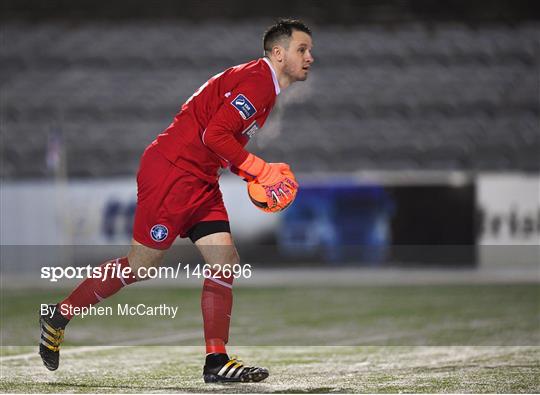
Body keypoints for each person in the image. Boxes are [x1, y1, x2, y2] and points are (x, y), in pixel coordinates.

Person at [39, 18, 314, 383]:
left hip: (200, 178)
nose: (310, 56)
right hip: (172, 173)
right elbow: (213, 134)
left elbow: (218, 139)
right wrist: (259, 169)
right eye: (302, 49)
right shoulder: (258, 83)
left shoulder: (261, 83)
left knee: (225, 261)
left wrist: (249, 172)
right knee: (142, 265)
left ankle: (216, 362)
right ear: (278, 54)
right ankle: (58, 315)